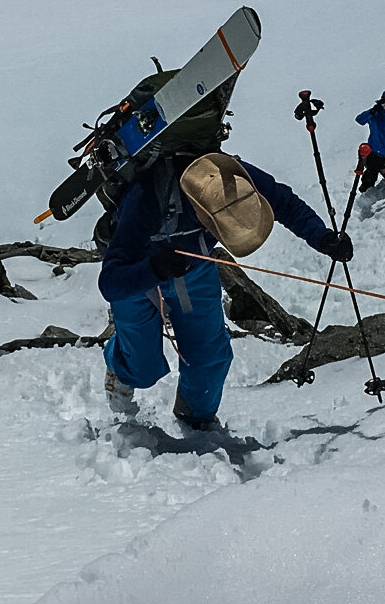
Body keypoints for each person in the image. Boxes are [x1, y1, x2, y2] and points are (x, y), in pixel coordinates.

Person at [99, 151, 351, 430]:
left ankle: (196, 419)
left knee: (209, 357)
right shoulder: (145, 197)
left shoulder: (234, 178)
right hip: (139, 276)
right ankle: (120, 365)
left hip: (194, 270)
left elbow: (282, 202)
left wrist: (322, 237)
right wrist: (154, 269)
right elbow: (110, 281)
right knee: (142, 371)